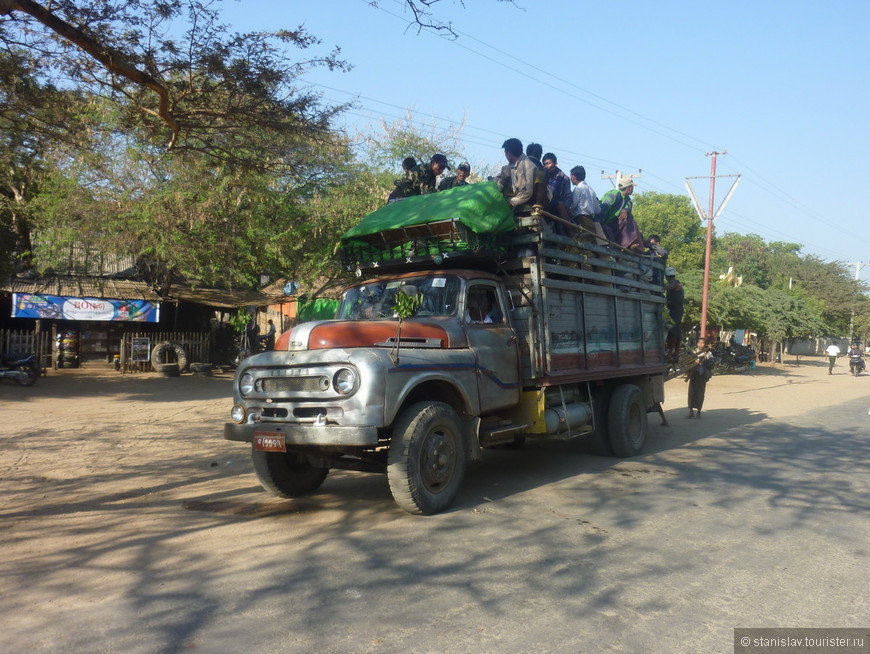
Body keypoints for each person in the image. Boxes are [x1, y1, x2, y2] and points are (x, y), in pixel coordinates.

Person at [597, 175, 645, 252]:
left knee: (629, 218)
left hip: (613, 224)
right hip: (602, 222)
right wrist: (599, 224)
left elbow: (629, 205)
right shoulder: (614, 194)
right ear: (629, 188)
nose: (633, 189)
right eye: (632, 187)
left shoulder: (627, 199)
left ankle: (629, 244)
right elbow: (603, 209)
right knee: (610, 238)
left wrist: (625, 210)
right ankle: (624, 245)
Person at [495, 138, 538, 213]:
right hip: (516, 199)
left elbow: (526, 193)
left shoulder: (528, 166)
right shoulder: (510, 166)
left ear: (509, 154)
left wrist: (509, 202)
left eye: (505, 152)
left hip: (531, 201)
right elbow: (501, 178)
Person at [569, 165, 604, 244]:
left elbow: (573, 206)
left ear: (574, 178)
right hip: (591, 222)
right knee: (591, 245)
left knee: (581, 244)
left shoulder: (578, 189)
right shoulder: (591, 190)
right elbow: (598, 210)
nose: (570, 179)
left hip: (580, 220)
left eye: (571, 177)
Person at [541, 153, 574, 232]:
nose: (547, 167)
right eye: (545, 164)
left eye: (549, 164)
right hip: (543, 202)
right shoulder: (542, 174)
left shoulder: (564, 178)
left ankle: (570, 232)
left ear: (555, 164)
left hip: (556, 205)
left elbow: (568, 196)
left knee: (560, 205)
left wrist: (566, 207)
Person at [686, 337, 713, 418]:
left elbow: (711, 364)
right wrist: (695, 361)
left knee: (700, 393)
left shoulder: (708, 353)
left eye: (702, 343)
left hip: (702, 376)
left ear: (705, 344)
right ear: (697, 344)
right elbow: (689, 362)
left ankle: (698, 411)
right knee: (691, 393)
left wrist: (705, 359)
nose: (700, 344)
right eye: (699, 343)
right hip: (693, 375)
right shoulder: (694, 352)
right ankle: (691, 411)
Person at [665, 267, 684, 362]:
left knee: (673, 332)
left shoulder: (675, 283)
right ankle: (673, 354)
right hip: (674, 311)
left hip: (676, 311)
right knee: (674, 332)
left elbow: (671, 286)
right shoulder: (675, 283)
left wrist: (662, 287)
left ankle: (671, 354)